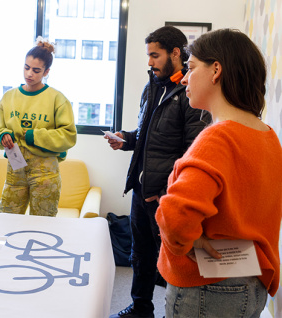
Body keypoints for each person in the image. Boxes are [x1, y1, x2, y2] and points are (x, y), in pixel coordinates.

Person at [156, 28, 282, 317]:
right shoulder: (267, 135)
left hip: (208, 288)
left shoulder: (217, 138)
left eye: (190, 67)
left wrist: (188, 241)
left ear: (216, 70)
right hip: (253, 286)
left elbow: (174, 218)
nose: (184, 78)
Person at [107, 26, 210, 318]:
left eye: (155, 55)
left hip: (166, 197)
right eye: (148, 55)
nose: (149, 62)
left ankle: (173, 312)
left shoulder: (190, 94)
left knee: (174, 260)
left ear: (175, 53)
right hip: (141, 191)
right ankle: (141, 309)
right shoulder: (151, 86)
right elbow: (146, 136)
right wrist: (125, 139)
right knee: (140, 255)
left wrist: (165, 193)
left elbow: (193, 152)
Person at [0, 37, 76, 217]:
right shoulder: (9, 97)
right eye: (26, 68)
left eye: (36, 70)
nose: (29, 74)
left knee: (42, 225)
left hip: (45, 173)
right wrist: (3, 135)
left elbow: (68, 135)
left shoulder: (57, 98)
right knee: (6, 219)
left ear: (46, 71)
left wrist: (33, 136)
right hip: (15, 168)